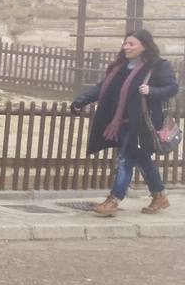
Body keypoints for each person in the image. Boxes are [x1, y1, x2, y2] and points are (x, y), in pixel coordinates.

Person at [72, 28, 178, 216]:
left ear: (144, 46)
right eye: (125, 43)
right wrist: (80, 101)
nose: (126, 47)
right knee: (142, 159)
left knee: (125, 159)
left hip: (142, 124)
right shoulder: (119, 67)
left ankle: (113, 200)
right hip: (121, 122)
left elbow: (172, 87)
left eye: (131, 44)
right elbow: (102, 88)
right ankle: (159, 195)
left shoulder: (158, 66)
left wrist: (152, 91)